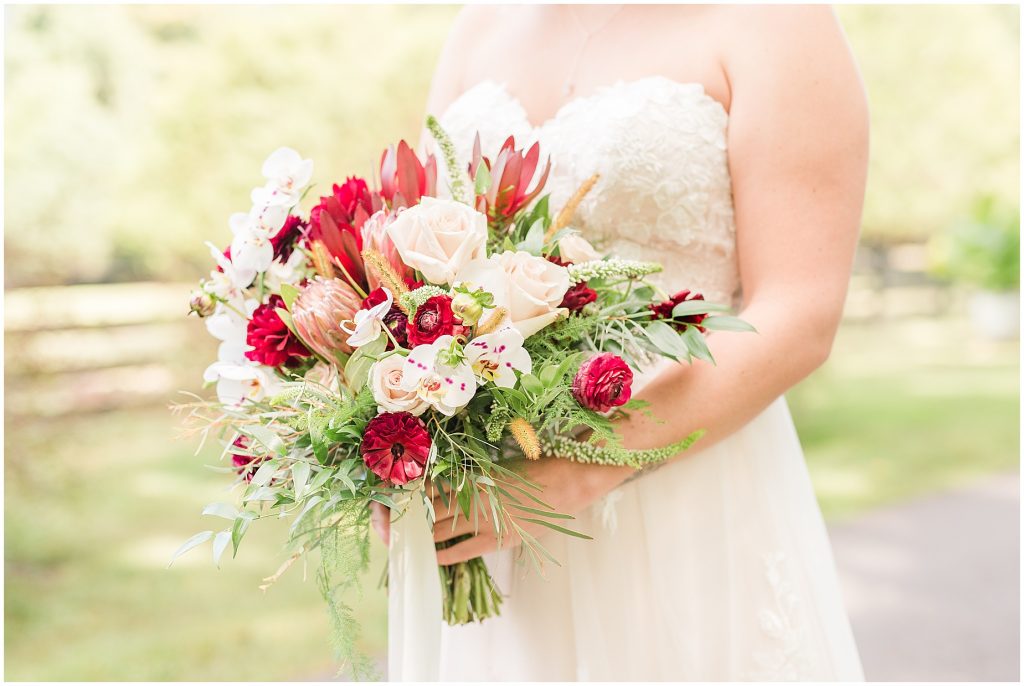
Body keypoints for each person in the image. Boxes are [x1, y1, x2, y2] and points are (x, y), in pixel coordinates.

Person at [373, 5, 869, 680]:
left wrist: (576, 470)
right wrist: (386, 437)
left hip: (684, 489)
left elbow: (799, 315)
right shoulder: (480, 24)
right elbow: (410, 267)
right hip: (492, 514)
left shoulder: (775, 21)